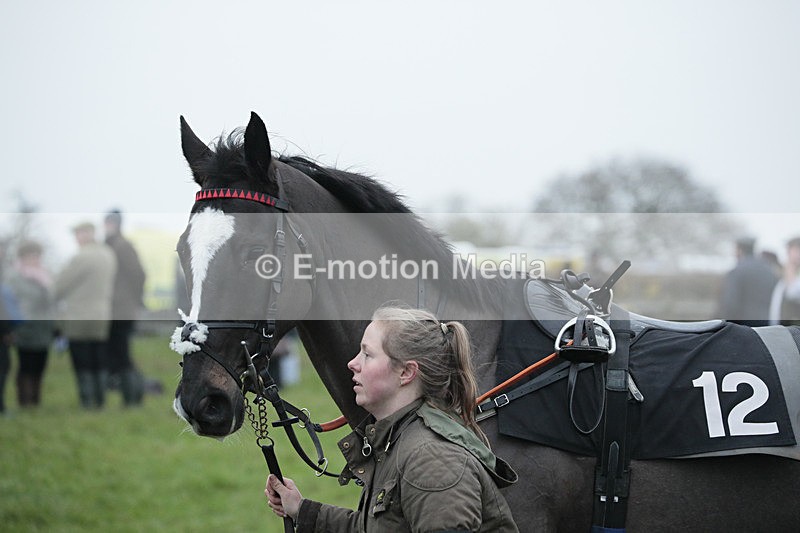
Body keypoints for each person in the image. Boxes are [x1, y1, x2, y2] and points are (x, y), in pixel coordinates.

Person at [265, 305, 519, 532]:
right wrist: (302, 510)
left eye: (367, 354)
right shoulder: (399, 438)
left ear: (407, 372)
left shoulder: (433, 461)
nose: (353, 363)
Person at [54, 222, 116, 409]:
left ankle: (87, 401)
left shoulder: (81, 257)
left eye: (78, 233)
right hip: (102, 314)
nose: (76, 238)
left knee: (82, 359)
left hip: (79, 315)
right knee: (99, 358)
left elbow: (59, 287)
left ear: (86, 234)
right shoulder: (108, 254)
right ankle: (100, 400)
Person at [104, 209, 147, 406]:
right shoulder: (107, 246)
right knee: (113, 354)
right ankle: (126, 394)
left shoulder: (123, 246)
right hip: (110, 310)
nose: (107, 226)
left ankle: (133, 396)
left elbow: (138, 274)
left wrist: (133, 299)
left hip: (122, 310)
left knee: (122, 355)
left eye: (111, 222)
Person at [6, 241, 55, 407]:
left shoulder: (45, 276)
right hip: (25, 328)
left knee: (40, 365)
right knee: (26, 365)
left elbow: (52, 300)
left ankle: (36, 400)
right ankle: (25, 400)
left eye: (37, 256)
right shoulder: (15, 277)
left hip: (43, 328)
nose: (35, 259)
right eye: (31, 256)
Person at [717, 236, 778, 327]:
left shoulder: (737, 271)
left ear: (740, 250)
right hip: (767, 324)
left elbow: (730, 303)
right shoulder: (769, 270)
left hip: (743, 327)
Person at [769, 236, 800, 326]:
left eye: (792, 250)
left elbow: (793, 292)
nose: (788, 254)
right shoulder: (782, 276)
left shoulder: (791, 274)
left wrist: (790, 268)